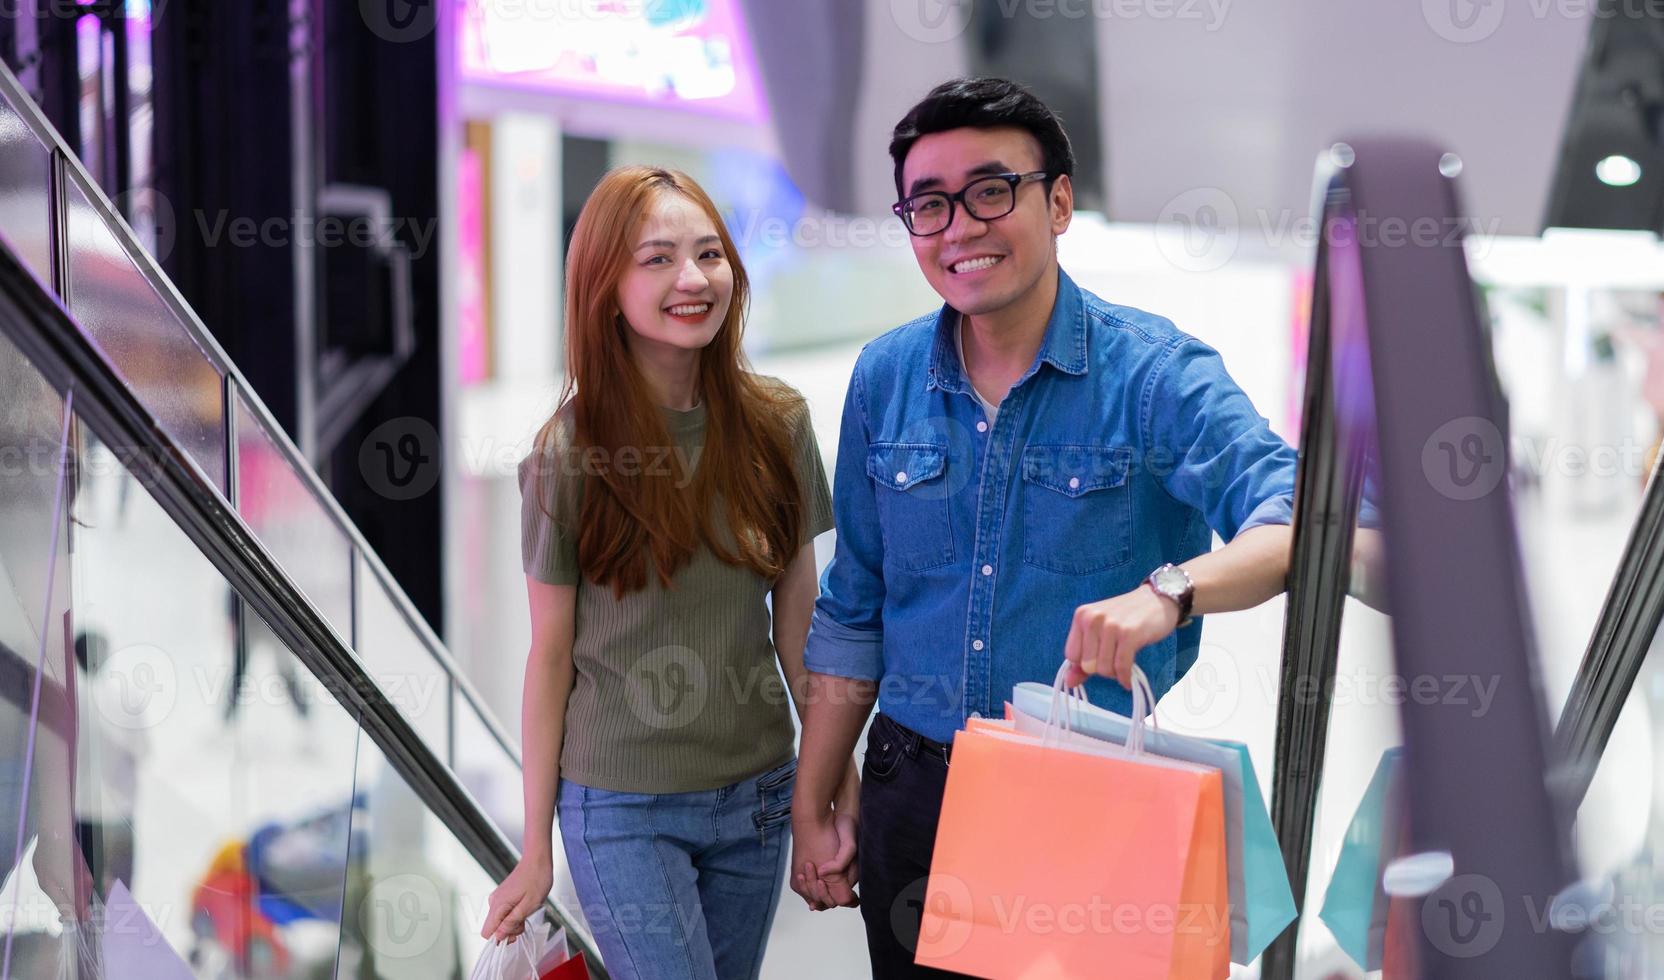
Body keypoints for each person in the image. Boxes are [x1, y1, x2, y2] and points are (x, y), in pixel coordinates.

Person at [788, 77, 1300, 976]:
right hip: (912, 788)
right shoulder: (884, 377)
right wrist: (815, 790)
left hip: (1086, 790)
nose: (959, 229)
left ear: (1057, 201)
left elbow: (1297, 518)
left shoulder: (1153, 376)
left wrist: (1170, 592)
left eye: (991, 192)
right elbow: (854, 603)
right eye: (929, 205)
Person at [479, 165, 858, 979]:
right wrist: (534, 848)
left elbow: (801, 628)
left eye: (709, 254)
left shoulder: (778, 424)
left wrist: (832, 786)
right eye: (656, 259)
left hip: (755, 797)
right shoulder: (568, 457)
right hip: (621, 811)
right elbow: (550, 658)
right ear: (605, 287)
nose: (692, 279)